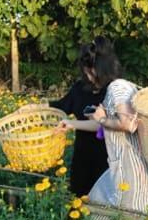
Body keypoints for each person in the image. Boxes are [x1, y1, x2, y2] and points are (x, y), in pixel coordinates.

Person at [56, 37, 148, 220]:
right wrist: (75, 124)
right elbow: (109, 123)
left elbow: (128, 124)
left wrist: (102, 119)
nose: (87, 74)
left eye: (89, 69)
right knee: (95, 212)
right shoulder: (124, 86)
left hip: (130, 169)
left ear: (99, 67)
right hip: (119, 167)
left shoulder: (116, 87)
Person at [46, 43, 110, 196]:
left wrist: (72, 124)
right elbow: (61, 106)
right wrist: (34, 107)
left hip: (107, 159)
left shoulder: (113, 90)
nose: (89, 77)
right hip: (82, 157)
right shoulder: (79, 88)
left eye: (93, 73)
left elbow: (101, 124)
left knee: (104, 207)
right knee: (78, 198)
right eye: (87, 72)